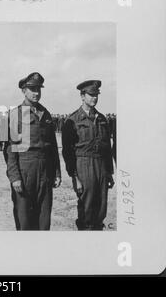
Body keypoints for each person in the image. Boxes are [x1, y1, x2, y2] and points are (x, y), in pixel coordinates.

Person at [6, 72, 61, 230]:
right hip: (25, 170)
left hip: (45, 171)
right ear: (24, 91)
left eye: (39, 89)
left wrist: (56, 172)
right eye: (32, 89)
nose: (36, 93)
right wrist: (15, 177)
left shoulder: (46, 114)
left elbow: (52, 148)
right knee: (25, 220)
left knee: (44, 220)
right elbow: (10, 150)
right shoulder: (15, 114)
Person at [62, 80, 114, 231]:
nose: (94, 98)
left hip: (101, 167)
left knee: (101, 207)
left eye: (96, 95)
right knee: (87, 207)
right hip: (83, 166)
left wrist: (109, 173)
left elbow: (107, 149)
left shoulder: (102, 119)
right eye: (91, 95)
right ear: (82, 96)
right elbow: (67, 151)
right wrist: (75, 177)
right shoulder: (72, 120)